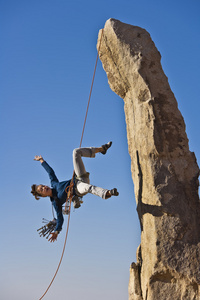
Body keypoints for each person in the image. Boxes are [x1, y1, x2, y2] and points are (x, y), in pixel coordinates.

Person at [31, 142, 119, 242]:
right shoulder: (56, 202)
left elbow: (50, 172)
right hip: (78, 188)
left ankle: (101, 149)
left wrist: (42, 161)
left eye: (42, 186)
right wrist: (56, 231)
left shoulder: (54, 184)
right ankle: (107, 193)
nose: (44, 187)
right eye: (41, 190)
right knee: (88, 188)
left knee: (76, 152)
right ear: (43, 196)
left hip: (79, 177)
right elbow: (60, 219)